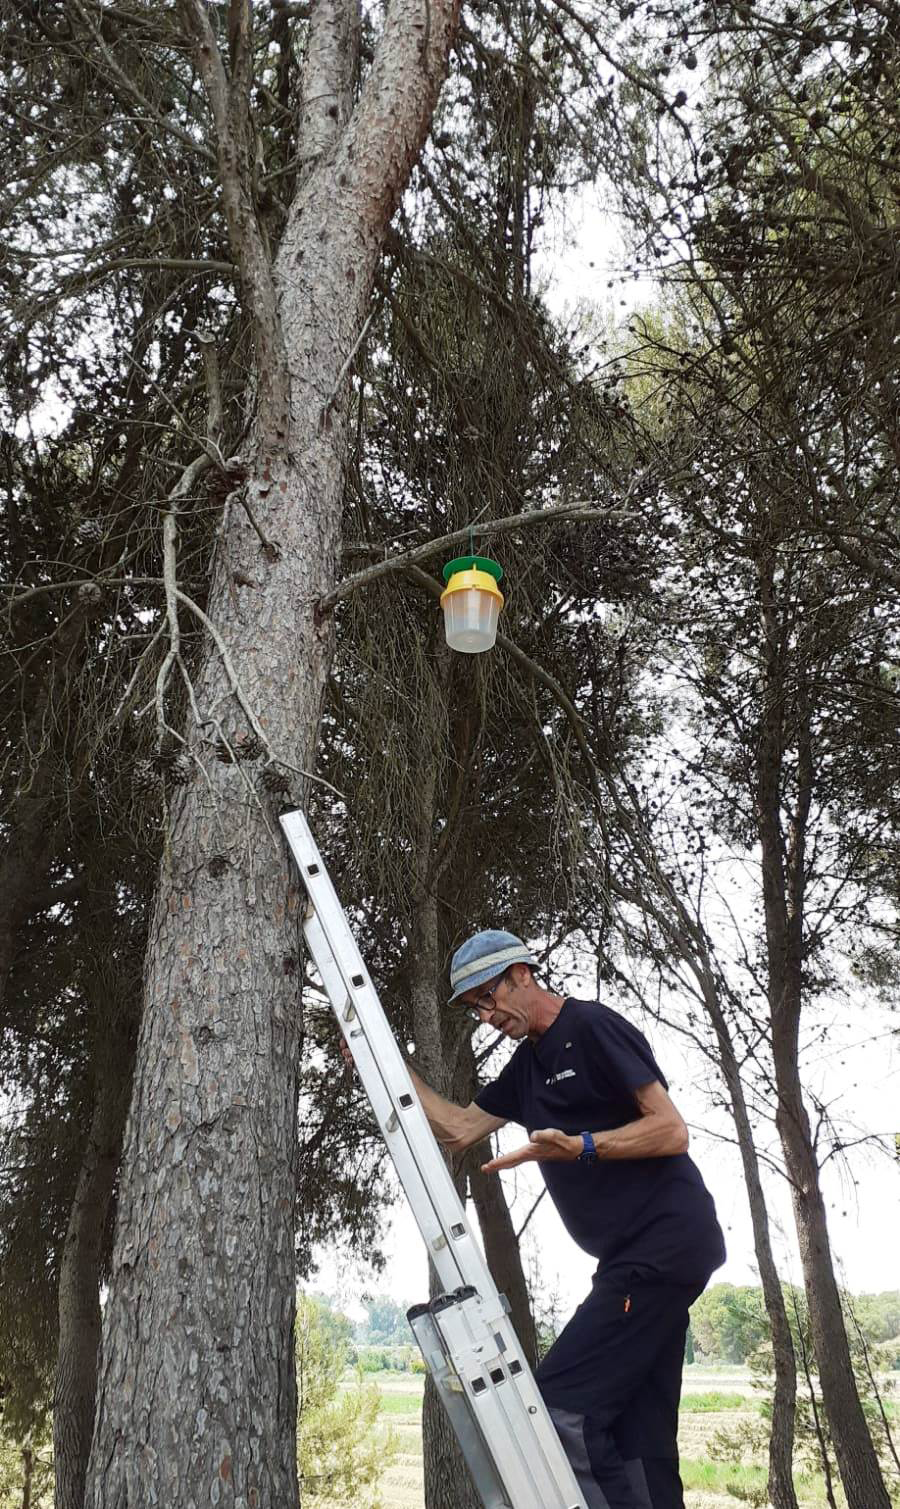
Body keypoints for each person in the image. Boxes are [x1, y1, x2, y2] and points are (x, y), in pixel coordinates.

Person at [405, 929, 727, 1509]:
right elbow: (457, 1130)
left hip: (662, 1246)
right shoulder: (526, 1069)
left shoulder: (592, 1027)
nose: (486, 1016)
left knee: (557, 1409)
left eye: (487, 997)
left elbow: (671, 1129)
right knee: (638, 1435)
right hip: (632, 1262)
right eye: (475, 1009)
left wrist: (582, 1145)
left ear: (522, 974)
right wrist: (388, 1064)